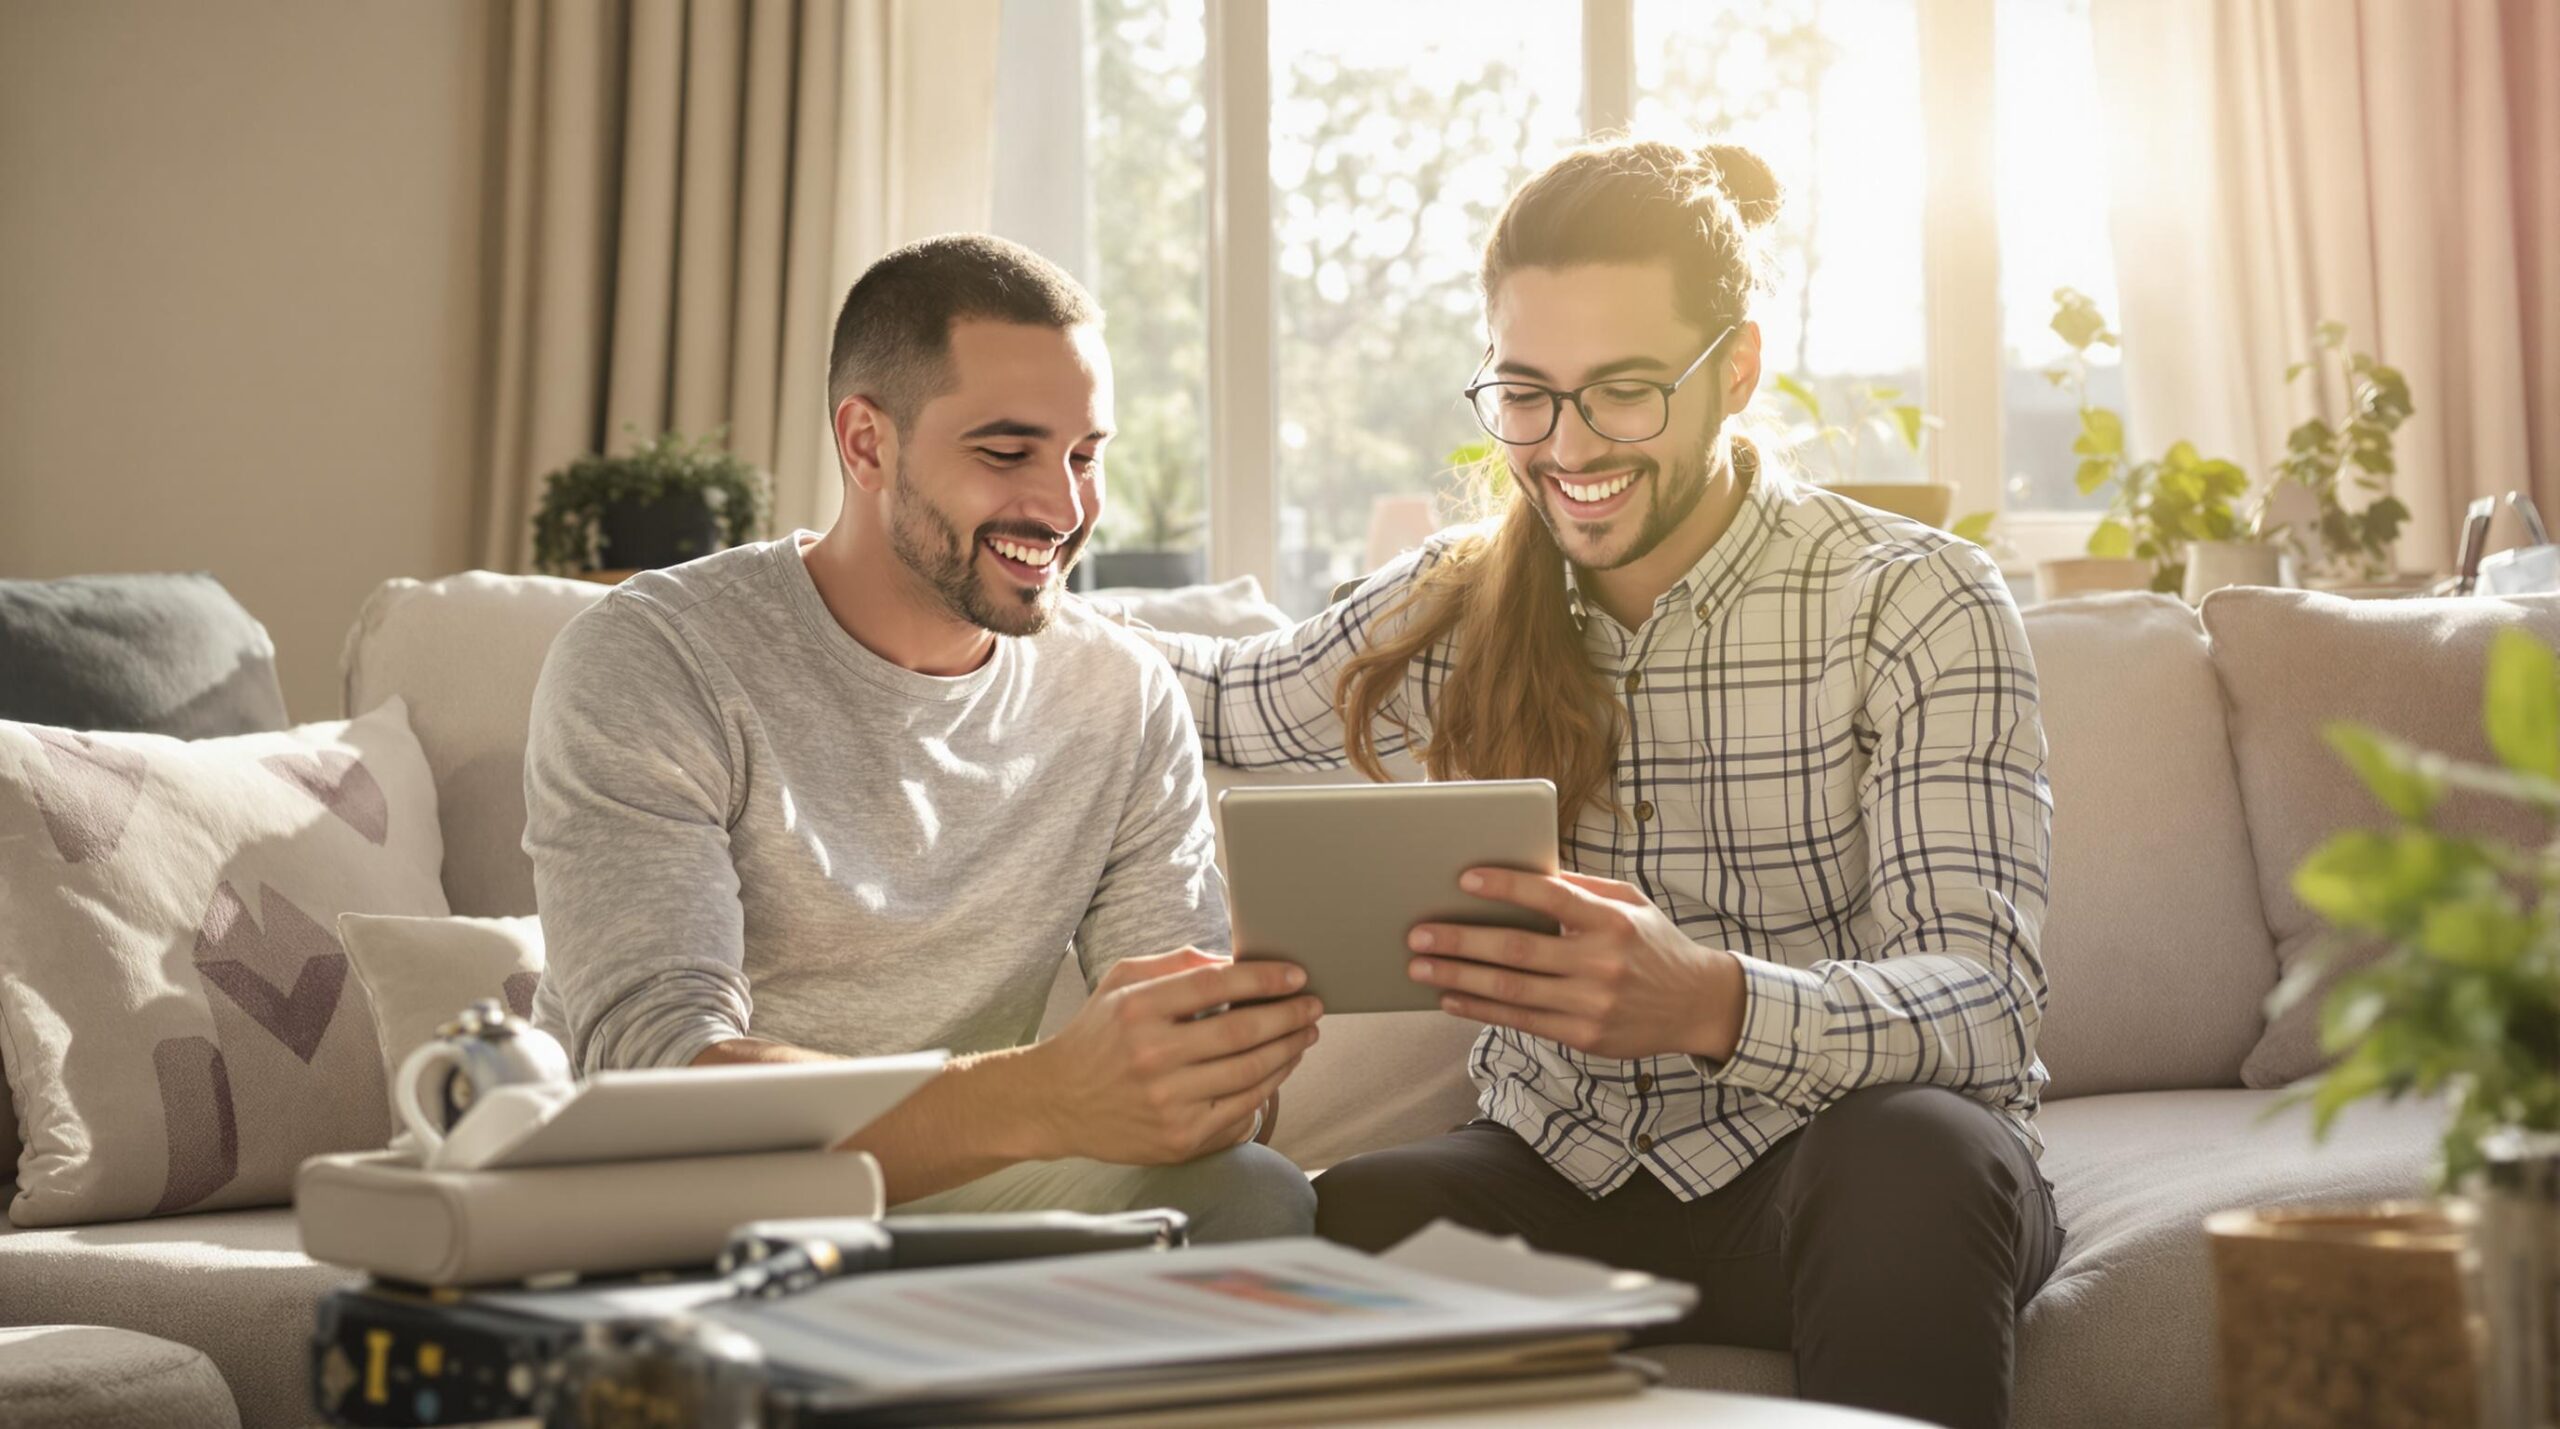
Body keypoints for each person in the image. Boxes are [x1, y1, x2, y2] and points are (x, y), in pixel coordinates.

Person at [1124, 141, 2060, 1423]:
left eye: (1622, 391)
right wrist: (968, 592)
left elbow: (1985, 1000)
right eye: (1525, 392)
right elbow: (1222, 696)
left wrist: (1710, 1002)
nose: (1566, 447)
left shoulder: (1910, 597)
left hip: (1835, 1180)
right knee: (1328, 1221)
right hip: (1555, 1181)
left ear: (1735, 367)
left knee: (1916, 1157)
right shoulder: (1458, 598)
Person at [522, 234, 1320, 1242]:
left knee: (1256, 1194)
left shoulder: (1118, 692)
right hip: (692, 1205)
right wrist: (1042, 1098)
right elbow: (654, 1074)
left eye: (1084, 456)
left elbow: (1183, 1061)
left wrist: (1219, 1069)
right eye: (1006, 452)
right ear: (866, 444)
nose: (1066, 508)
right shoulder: (654, 658)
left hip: (967, 1189)